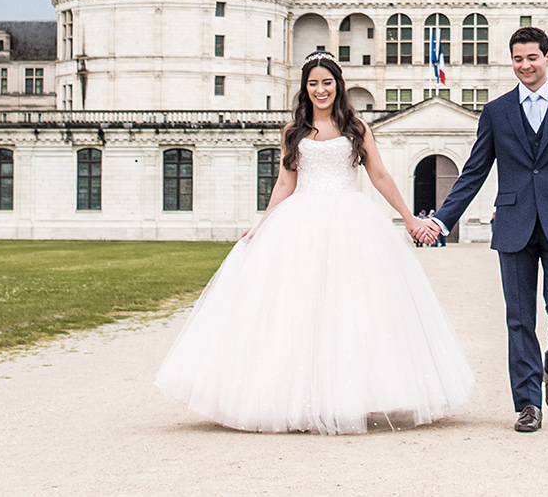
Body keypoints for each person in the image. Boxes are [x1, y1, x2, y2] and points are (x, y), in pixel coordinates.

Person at [156, 55, 472, 433]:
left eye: (326, 83)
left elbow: (380, 174)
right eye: (312, 84)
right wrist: (262, 224)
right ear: (304, 88)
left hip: (349, 221)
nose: (320, 90)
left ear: (337, 85)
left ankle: (348, 395)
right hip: (301, 221)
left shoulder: (355, 127)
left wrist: (408, 217)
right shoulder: (294, 130)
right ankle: (297, 398)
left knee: (353, 308)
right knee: (295, 309)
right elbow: (286, 183)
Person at [419, 27, 548, 434]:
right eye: (518, 59)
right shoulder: (497, 111)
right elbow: (472, 172)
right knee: (519, 319)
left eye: (532, 58)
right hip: (513, 225)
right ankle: (528, 404)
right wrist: (440, 220)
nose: (525, 66)